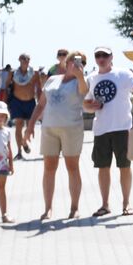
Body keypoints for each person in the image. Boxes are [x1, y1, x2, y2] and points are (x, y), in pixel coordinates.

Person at [83, 46, 133, 218]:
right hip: (101, 129)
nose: (101, 58)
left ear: (112, 57)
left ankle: (126, 204)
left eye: (105, 55)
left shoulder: (123, 74)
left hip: (122, 127)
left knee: (124, 166)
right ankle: (105, 205)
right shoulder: (91, 78)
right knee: (103, 167)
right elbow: (85, 104)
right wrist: (91, 106)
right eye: (98, 55)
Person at [28, 50, 88, 220]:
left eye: (82, 62)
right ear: (66, 63)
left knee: (72, 167)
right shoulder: (52, 80)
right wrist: (31, 125)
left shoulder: (81, 81)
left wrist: (81, 76)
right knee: (49, 168)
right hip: (49, 129)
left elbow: (84, 91)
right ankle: (48, 208)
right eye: (74, 62)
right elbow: (40, 105)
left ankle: (74, 207)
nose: (77, 65)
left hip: (71, 128)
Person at [6, 53, 41, 159]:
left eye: (27, 59)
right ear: (19, 60)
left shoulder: (34, 73)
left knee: (30, 126)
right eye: (23, 58)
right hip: (17, 102)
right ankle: (19, 152)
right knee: (18, 126)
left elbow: (39, 89)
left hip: (30, 102)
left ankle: (24, 142)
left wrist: (40, 103)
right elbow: (6, 86)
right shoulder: (13, 73)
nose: (25, 60)